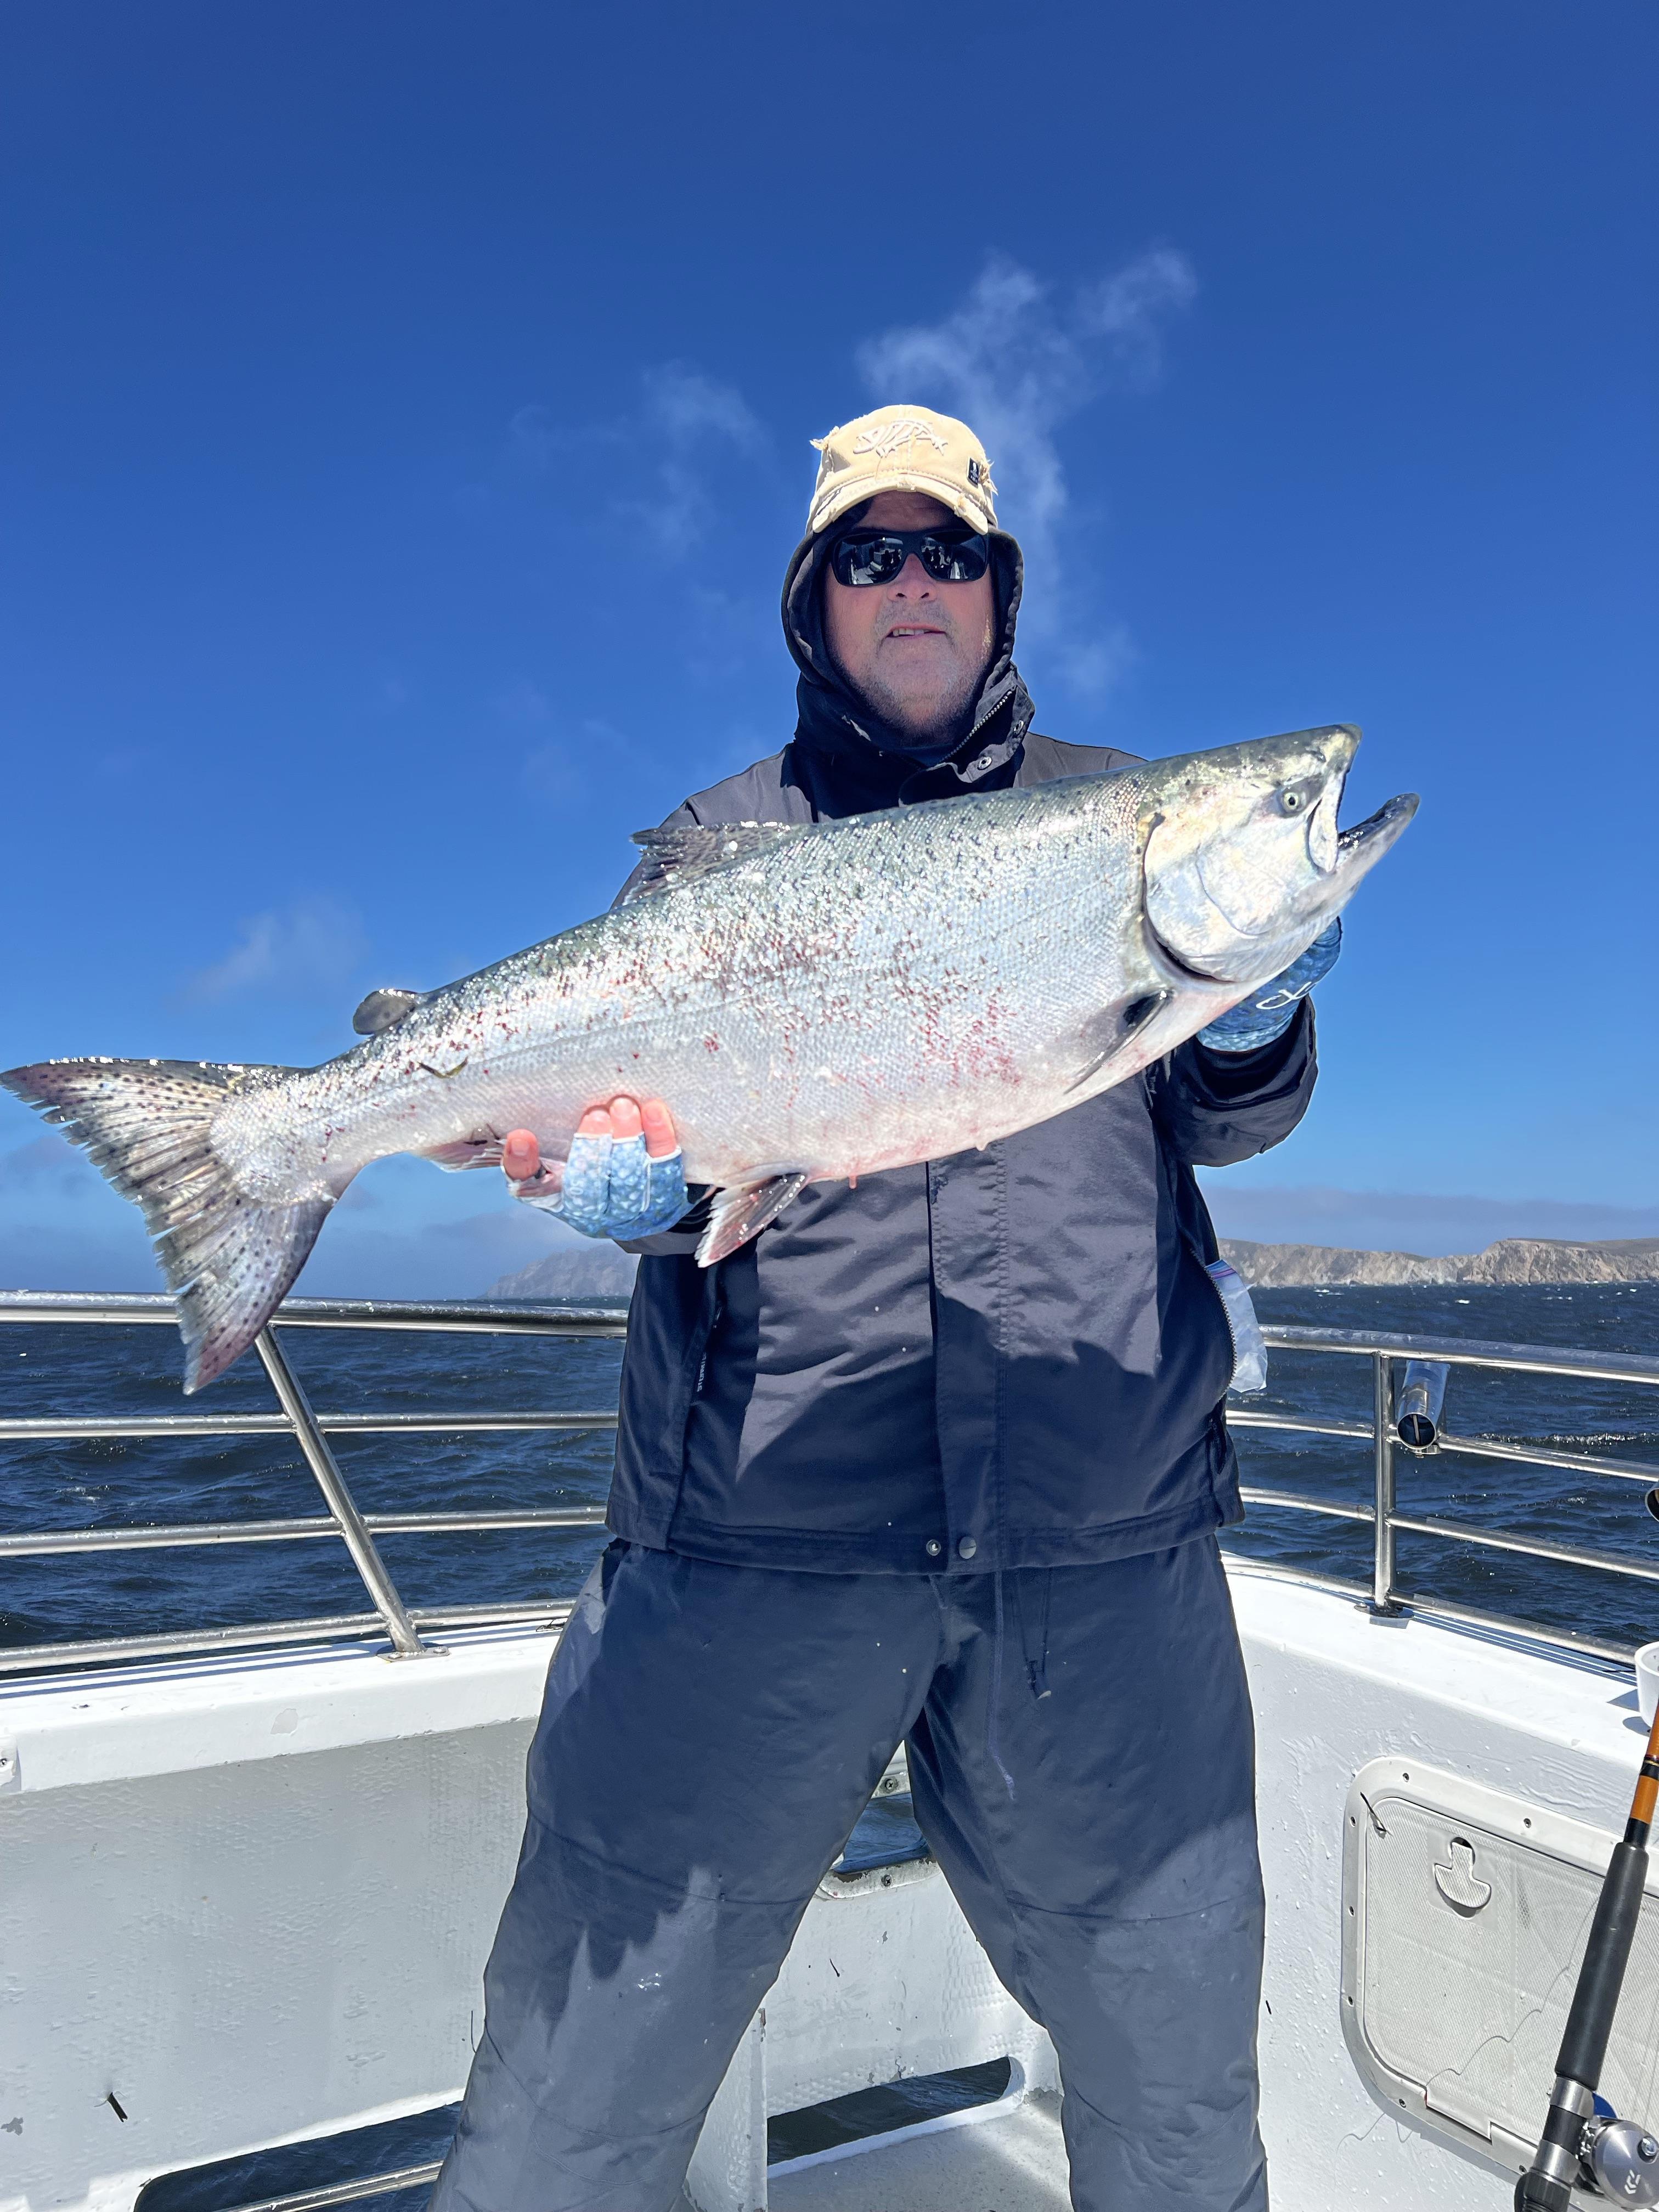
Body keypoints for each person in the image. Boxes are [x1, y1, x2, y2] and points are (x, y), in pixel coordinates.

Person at [433, 404, 1339, 2212]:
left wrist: (1248, 1013)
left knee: (1179, 2095)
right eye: (871, 552)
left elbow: (1229, 1118)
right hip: (755, 1542)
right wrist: (636, 1184)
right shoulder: (713, 848)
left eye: (951, 554)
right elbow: (665, 1168)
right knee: (570, 2104)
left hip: (1102, 1548)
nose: (912, 582)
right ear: (814, 599)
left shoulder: (1117, 818)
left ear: (1001, 595)